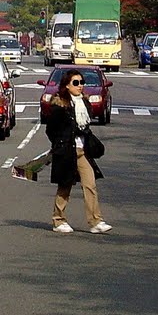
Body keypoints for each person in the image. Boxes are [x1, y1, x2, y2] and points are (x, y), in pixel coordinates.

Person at [44, 68, 111, 234]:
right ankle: (58, 220)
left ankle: (95, 221)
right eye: (76, 83)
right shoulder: (59, 106)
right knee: (65, 186)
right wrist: (59, 144)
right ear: (67, 85)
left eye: (82, 82)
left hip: (83, 151)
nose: (80, 86)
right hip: (67, 151)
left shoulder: (84, 103)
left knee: (90, 185)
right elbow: (50, 130)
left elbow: (85, 127)